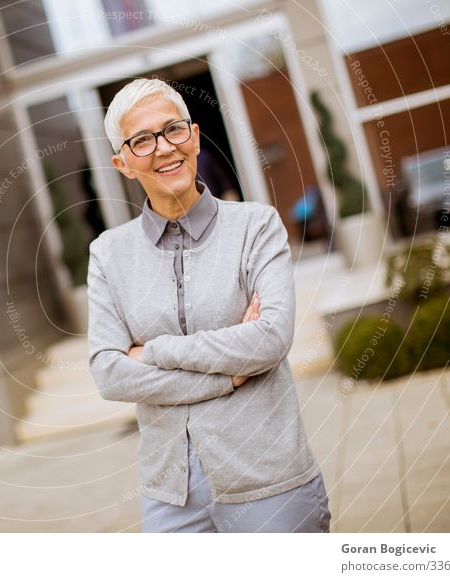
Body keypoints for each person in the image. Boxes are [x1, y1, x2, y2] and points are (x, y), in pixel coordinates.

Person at [87, 78, 330, 533]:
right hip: (170, 496)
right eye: (141, 140)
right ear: (122, 163)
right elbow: (108, 372)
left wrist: (154, 351)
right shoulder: (107, 253)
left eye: (173, 130)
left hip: (268, 482)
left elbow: (269, 338)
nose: (163, 148)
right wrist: (226, 378)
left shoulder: (256, 226)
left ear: (194, 137)